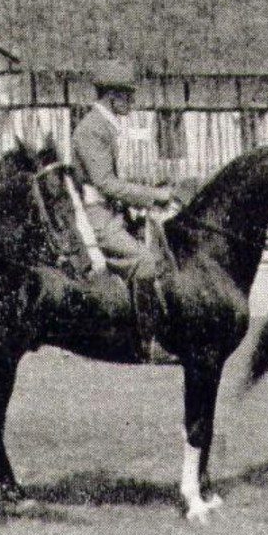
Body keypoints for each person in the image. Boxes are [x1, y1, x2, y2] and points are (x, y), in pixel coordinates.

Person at [71, 59, 177, 361]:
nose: (132, 101)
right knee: (144, 262)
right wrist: (152, 196)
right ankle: (149, 343)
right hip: (96, 215)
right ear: (112, 97)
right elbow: (105, 183)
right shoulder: (91, 129)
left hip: (113, 209)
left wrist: (152, 188)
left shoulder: (106, 126)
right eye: (128, 95)